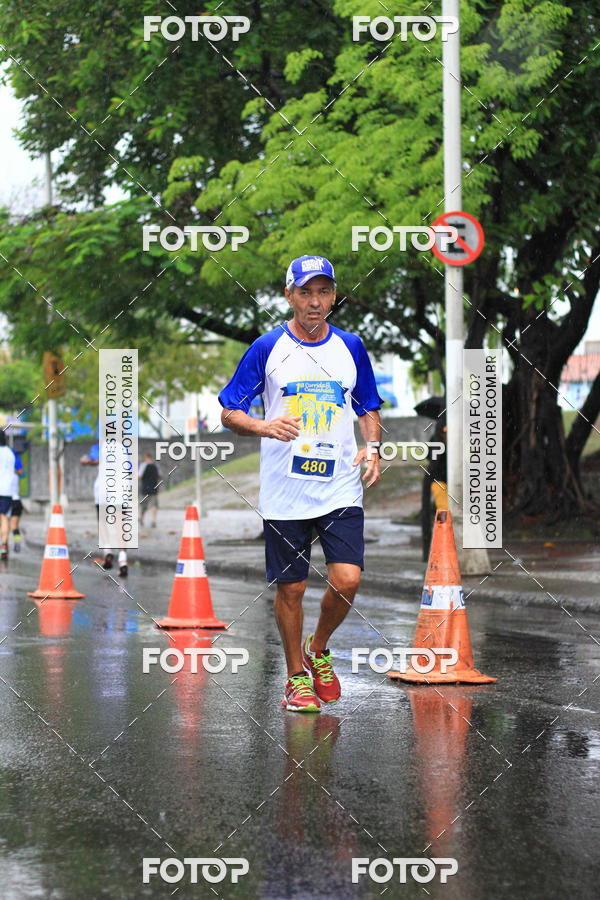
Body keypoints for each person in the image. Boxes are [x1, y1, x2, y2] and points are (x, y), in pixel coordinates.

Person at [219, 254, 382, 714]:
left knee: (347, 579)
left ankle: (318, 648)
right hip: (285, 492)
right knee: (291, 588)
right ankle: (295, 677)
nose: (315, 302)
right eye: (305, 292)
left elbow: (367, 405)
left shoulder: (351, 346)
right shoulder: (267, 348)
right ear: (288, 295)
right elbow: (229, 411)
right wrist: (263, 425)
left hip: (339, 485)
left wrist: (373, 446)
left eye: (323, 292)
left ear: (334, 296)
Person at [80, 440, 128, 577]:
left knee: (102, 521)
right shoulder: (123, 447)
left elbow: (95, 461)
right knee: (120, 524)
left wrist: (85, 461)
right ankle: (123, 559)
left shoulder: (99, 446)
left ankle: (107, 550)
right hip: (120, 487)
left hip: (103, 488)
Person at [0, 431, 22, 560]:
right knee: (6, 520)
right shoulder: (11, 453)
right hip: (8, 493)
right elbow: (20, 470)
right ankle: (5, 544)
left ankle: (4, 544)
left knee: (4, 519)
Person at [138, 452, 160, 527]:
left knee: (143, 506)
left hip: (145, 488)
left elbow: (139, 477)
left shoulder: (143, 465)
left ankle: (141, 518)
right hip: (154, 488)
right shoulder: (156, 465)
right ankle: (153, 520)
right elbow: (159, 476)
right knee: (154, 505)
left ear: (146, 458)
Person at [10, 447, 24, 553]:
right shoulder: (15, 473)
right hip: (16, 500)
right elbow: (21, 472)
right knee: (14, 525)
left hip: (5, 499)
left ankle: (3, 545)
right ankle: (17, 543)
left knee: (4, 524)